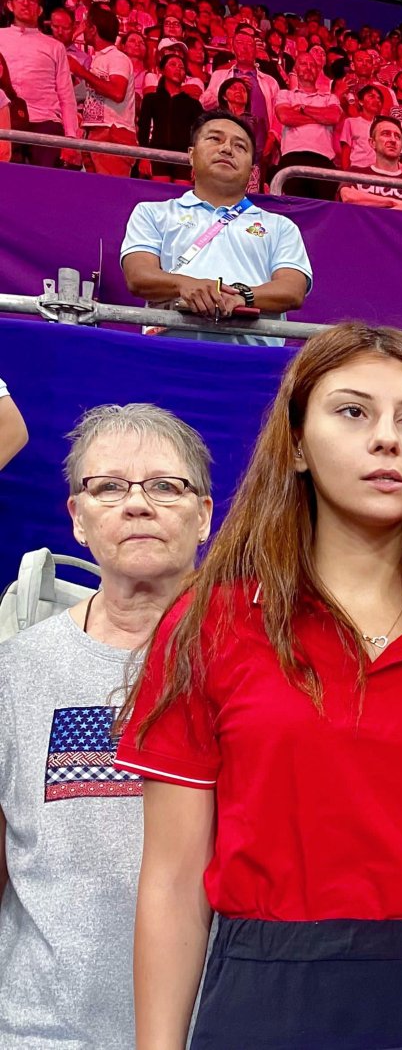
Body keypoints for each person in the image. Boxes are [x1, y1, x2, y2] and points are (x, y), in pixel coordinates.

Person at [113, 326, 402, 1048]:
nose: (388, 440)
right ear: (298, 444)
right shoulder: (212, 622)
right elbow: (173, 884)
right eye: (352, 412)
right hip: (270, 989)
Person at [0, 404, 212, 1049]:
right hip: (43, 1031)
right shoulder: (16, 670)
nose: (137, 505)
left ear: (204, 516)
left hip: (218, 1026)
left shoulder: (255, 666)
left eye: (165, 487)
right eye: (110, 488)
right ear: (77, 519)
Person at [120, 111, 312, 346]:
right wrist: (185, 285)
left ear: (253, 172)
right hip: (168, 352)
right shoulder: (152, 213)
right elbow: (138, 276)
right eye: (215, 139)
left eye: (240, 146)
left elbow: (292, 290)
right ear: (191, 155)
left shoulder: (281, 226)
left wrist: (243, 297)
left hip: (252, 361)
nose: (227, 149)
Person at [0, 0, 78, 167]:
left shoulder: (55, 47)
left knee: (45, 188)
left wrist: (71, 139)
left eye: (31, 0)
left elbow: (66, 96)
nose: (26, 3)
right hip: (5, 122)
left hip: (45, 122)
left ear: (40, 10)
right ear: (10, 5)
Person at [73, 6, 136, 176]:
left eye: (86, 26)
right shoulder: (98, 58)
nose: (82, 31)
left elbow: (117, 92)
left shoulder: (117, 57)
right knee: (96, 195)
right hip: (94, 132)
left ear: (93, 29)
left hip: (112, 133)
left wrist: (81, 72)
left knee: (111, 194)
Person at [270, 49, 341, 199]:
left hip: (323, 161)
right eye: (303, 64)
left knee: (321, 212)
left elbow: (334, 117)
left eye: (312, 65)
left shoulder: (330, 98)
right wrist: (320, 116)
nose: (308, 67)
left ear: (318, 70)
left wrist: (302, 109)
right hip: (292, 159)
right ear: (295, 69)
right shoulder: (285, 94)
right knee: (294, 209)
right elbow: (285, 117)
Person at [135, 48, 201, 182]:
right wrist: (144, 157)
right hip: (158, 153)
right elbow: (144, 129)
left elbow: (198, 134)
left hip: (184, 156)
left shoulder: (193, 104)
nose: (178, 69)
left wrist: (196, 161)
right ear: (162, 70)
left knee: (181, 199)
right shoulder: (151, 99)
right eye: (173, 65)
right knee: (160, 197)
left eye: (181, 67)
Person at [338, 115, 402, 212]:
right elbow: (348, 197)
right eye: (386, 134)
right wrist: (392, 202)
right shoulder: (354, 172)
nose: (393, 140)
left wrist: (367, 201)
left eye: (397, 137)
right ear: (372, 143)